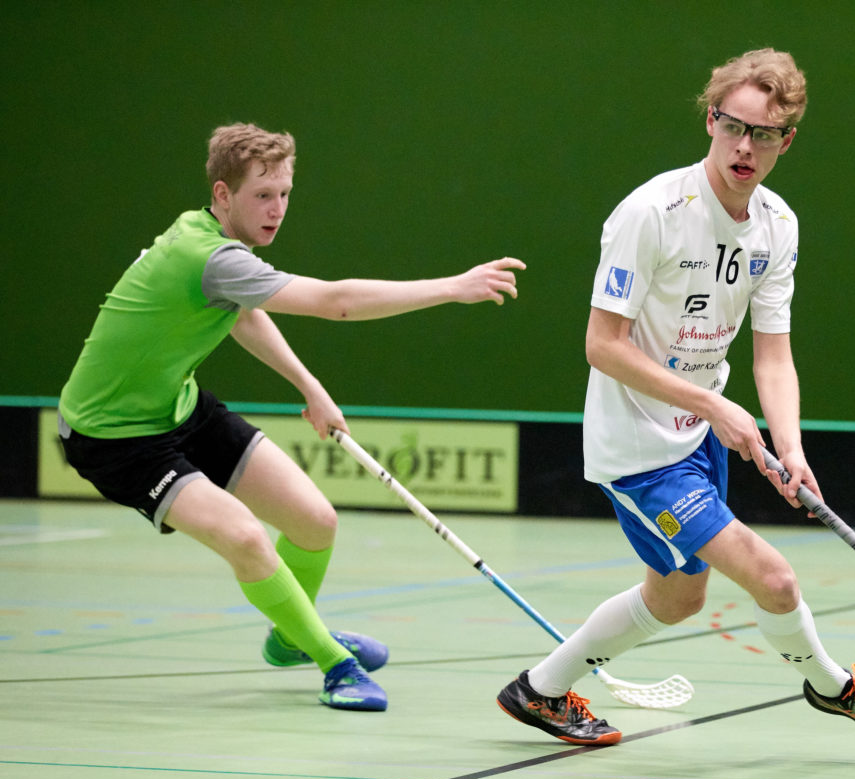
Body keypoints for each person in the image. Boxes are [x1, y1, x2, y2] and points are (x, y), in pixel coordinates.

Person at [497, 49, 855, 744]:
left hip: (698, 435)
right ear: (711, 119)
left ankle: (539, 691)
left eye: (764, 135)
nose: (744, 146)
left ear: (786, 142)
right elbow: (602, 345)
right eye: (733, 126)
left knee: (677, 599)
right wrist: (714, 407)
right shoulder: (653, 213)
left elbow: (772, 353)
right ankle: (832, 688)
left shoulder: (777, 226)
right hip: (638, 445)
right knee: (775, 579)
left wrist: (788, 444)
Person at [58, 123, 523, 712]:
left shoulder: (215, 242)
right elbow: (337, 303)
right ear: (224, 195)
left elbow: (243, 312)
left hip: (180, 408)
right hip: (115, 439)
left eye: (284, 194)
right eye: (261, 195)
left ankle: (289, 639)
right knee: (247, 538)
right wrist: (453, 287)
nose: (276, 209)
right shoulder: (207, 255)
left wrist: (309, 386)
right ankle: (333, 661)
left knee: (314, 522)